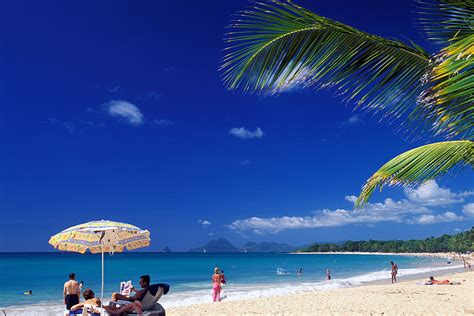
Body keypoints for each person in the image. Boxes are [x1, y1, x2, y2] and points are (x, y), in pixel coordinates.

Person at [71, 288, 142, 315]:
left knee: (114, 300)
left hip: (104, 310)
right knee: (135, 304)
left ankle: (129, 307)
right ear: (92, 295)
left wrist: (84, 307)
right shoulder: (95, 299)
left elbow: (72, 308)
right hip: (110, 312)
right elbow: (102, 307)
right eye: (93, 293)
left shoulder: (86, 303)